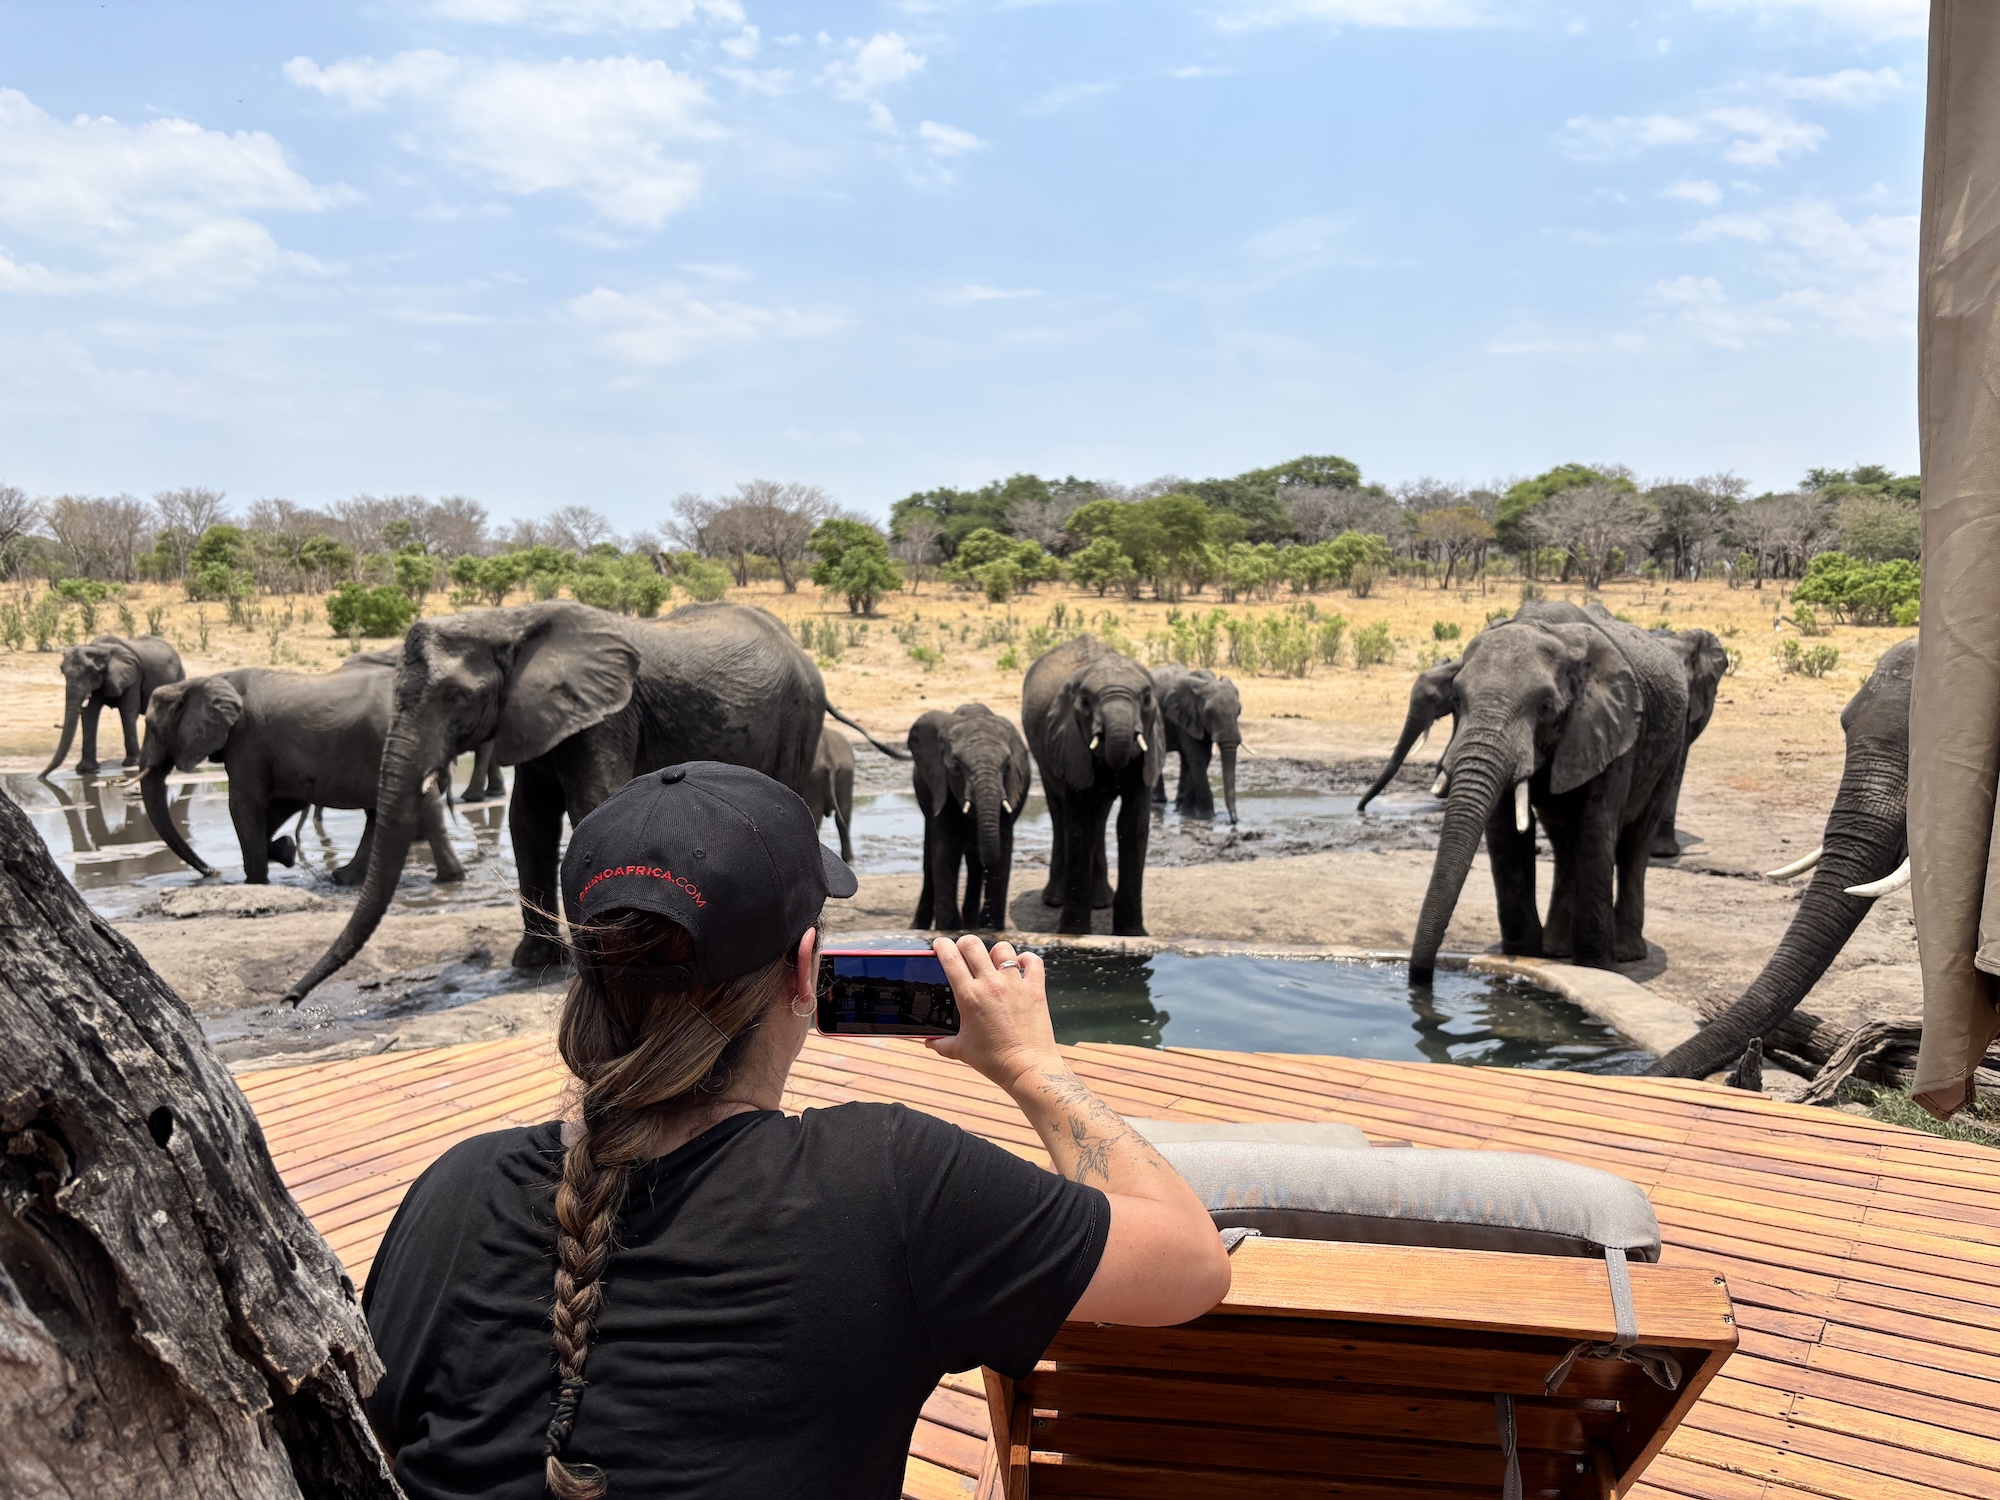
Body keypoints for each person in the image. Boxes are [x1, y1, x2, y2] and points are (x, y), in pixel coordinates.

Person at [362, 761, 1231, 1500]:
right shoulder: (889, 1179)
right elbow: (1189, 1265)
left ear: (584, 974)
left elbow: (382, 1440)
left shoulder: (455, 1189)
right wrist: (1032, 1065)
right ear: (806, 971)